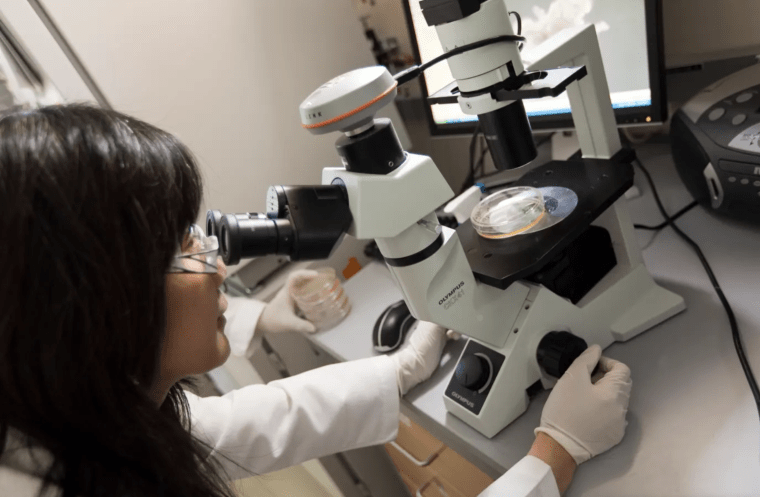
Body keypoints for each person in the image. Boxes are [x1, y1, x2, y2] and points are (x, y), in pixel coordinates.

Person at [0, 104, 631, 497]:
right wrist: (554, 456)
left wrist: (403, 368)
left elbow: (259, 421)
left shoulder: (86, 422)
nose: (219, 263)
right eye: (181, 245)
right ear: (95, 308)